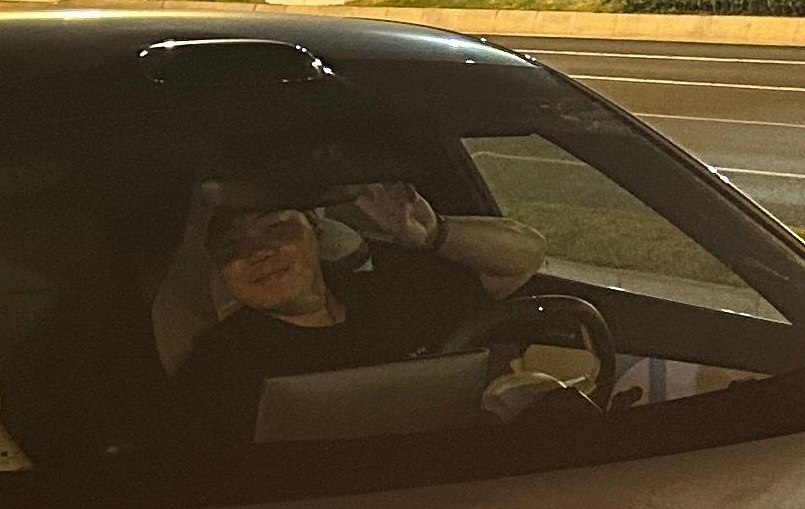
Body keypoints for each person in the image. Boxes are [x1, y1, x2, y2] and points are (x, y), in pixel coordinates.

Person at [176, 179, 537, 442]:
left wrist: (435, 234)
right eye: (232, 246)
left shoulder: (393, 294)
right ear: (220, 269)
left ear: (317, 231)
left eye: (275, 227)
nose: (258, 252)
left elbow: (520, 262)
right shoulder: (217, 363)